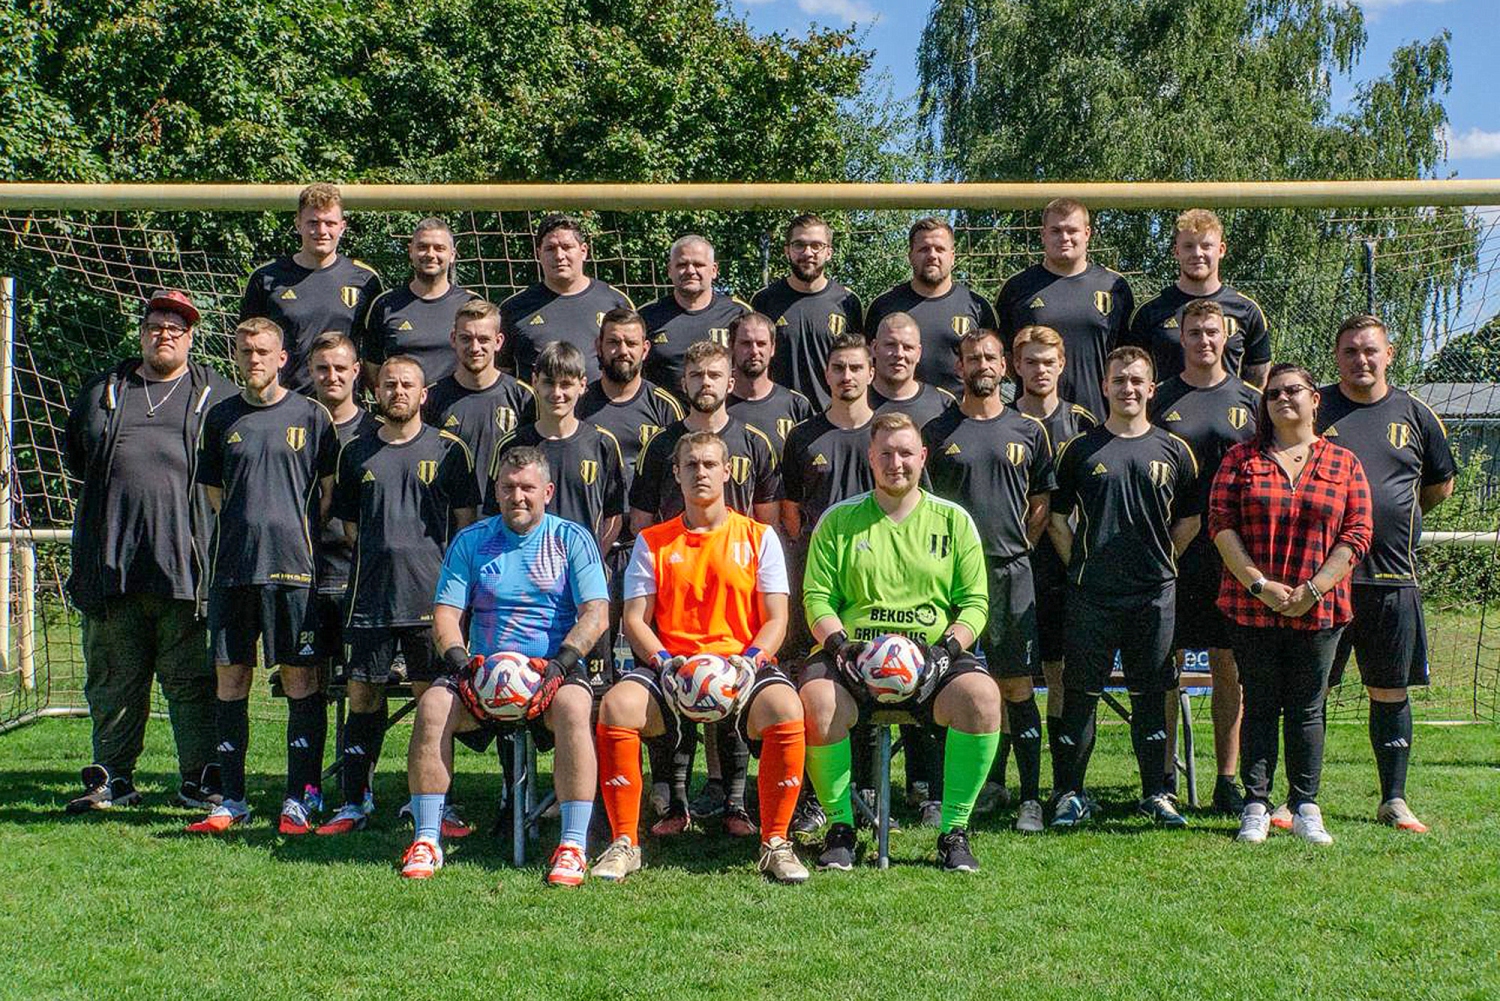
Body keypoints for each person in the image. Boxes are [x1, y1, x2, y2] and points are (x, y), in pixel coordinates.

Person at [593, 431, 809, 884]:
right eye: (691, 465)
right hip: (672, 668)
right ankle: (624, 842)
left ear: (728, 471)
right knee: (617, 706)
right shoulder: (653, 541)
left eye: (710, 464)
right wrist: (665, 663)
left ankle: (776, 842)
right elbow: (634, 620)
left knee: (787, 708)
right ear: (676, 474)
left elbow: (777, 620)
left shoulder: (759, 537)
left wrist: (749, 662)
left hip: (741, 666)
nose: (701, 473)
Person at [799, 412, 1001, 872]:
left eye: (906, 453)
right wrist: (841, 649)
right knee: (816, 699)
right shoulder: (839, 520)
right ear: (870, 458)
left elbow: (975, 603)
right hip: (854, 659)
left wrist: (944, 653)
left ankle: (954, 831)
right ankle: (840, 828)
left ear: (923, 457)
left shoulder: (954, 521)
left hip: (931, 660)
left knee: (983, 697)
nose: (896, 463)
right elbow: (816, 598)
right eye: (886, 454)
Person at [401, 448, 610, 886]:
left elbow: (596, 613)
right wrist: (462, 666)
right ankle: (426, 838)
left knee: (575, 707)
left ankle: (572, 845)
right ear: (496, 492)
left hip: (552, 670)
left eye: (527, 487)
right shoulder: (471, 541)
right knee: (433, 705)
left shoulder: (571, 538)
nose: (518, 496)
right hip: (482, 672)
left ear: (547, 492)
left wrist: (560, 665)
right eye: (508, 487)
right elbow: (445, 614)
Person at [63, 289, 234, 813]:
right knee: (113, 681)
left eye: (176, 328)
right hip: (112, 568)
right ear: (141, 334)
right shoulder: (103, 392)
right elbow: (77, 459)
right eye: (156, 326)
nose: (165, 335)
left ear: (191, 338)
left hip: (187, 570)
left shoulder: (216, 396)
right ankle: (112, 777)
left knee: (192, 682)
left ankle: (199, 778)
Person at [186, 318, 340, 835]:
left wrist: (290, 531)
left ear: (282, 359)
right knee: (231, 678)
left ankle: (301, 797)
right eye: (245, 351)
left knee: (300, 678)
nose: (254, 359)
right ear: (236, 355)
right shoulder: (220, 416)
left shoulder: (312, 416)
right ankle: (231, 799)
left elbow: (326, 493)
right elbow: (214, 493)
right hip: (233, 571)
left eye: (263, 351)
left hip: (294, 572)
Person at [315, 356, 480, 836]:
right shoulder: (355, 452)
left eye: (408, 384)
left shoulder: (450, 450)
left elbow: (465, 526)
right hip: (370, 598)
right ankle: (354, 801)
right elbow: (349, 526)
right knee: (363, 696)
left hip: (431, 602)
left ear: (423, 394)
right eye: (390, 384)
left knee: (433, 702)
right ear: (377, 392)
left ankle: (433, 804)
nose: (399, 391)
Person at [1211, 364, 1373, 845]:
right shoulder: (1241, 459)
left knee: (1307, 709)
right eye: (1273, 393)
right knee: (1260, 705)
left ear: (1314, 399)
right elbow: (1221, 524)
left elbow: (1358, 532)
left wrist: (1314, 589)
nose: (1283, 399)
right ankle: (1256, 805)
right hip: (1252, 606)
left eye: (1293, 390)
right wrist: (1260, 585)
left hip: (1321, 608)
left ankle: (1305, 805)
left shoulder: (1344, 463)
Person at [629, 339, 782, 834]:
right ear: (684, 383)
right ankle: (673, 798)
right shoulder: (662, 446)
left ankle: (729, 795)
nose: (706, 384)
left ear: (730, 381)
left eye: (714, 375)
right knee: (681, 680)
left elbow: (768, 517)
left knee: (724, 680)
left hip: (735, 583)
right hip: (676, 577)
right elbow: (642, 517)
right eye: (696, 376)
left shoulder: (753, 441)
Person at [1048, 346, 1200, 829]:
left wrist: (1161, 562)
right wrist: (1083, 566)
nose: (1128, 388)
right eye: (1119, 380)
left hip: (1153, 595)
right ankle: (1070, 794)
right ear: (1105, 386)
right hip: (1091, 595)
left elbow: (1191, 520)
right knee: (1080, 694)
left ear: (1151, 389)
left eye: (1136, 380)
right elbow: (1056, 519)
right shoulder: (1079, 449)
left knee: (1152, 694)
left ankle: (1156, 794)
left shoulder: (1175, 450)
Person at [1316, 314, 1456, 834]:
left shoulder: (1416, 414)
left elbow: (1439, 485)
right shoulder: (1315, 407)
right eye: (1350, 351)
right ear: (1337, 357)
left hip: (1392, 580)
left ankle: (1393, 800)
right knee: (1310, 694)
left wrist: (1397, 517)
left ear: (1389, 354)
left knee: (1390, 690)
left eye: (1370, 350)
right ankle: (1300, 799)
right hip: (1322, 582)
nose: (1361, 359)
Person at [924, 329, 1056, 833]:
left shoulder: (1029, 431)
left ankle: (1029, 799)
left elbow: (1041, 505)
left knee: (1016, 685)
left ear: (1006, 366)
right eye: (972, 357)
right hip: (950, 580)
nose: (982, 364)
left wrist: (1017, 548)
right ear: (959, 367)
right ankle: (947, 794)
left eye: (990, 357)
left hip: (1010, 573)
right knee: (945, 683)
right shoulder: (937, 432)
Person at [1148, 299, 1261, 812]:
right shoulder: (1159, 397)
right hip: (1173, 550)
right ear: (1182, 338)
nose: (1203, 340)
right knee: (1164, 666)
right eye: (1194, 332)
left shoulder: (1252, 400)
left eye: (1212, 331)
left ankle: (1227, 780)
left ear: (1227, 337)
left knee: (1227, 666)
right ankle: (1163, 778)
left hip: (1233, 555)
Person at [574, 306, 685, 820]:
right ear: (599, 348)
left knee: (653, 664)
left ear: (646, 349)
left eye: (630, 343)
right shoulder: (581, 402)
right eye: (612, 342)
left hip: (650, 553)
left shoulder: (664, 407)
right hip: (591, 556)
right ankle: (599, 780)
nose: (621, 351)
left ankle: (664, 782)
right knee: (596, 671)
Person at [778, 330, 878, 835]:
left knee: (871, 675)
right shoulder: (804, 437)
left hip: (874, 583)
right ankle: (818, 797)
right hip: (817, 579)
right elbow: (790, 512)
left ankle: (868, 790)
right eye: (838, 368)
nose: (847, 376)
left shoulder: (887, 433)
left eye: (856, 368)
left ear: (871, 373)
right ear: (826, 375)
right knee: (816, 683)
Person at [489, 341, 626, 691]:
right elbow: (496, 513)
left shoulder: (601, 444)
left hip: (583, 587)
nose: (557, 393)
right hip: (527, 586)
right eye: (549, 383)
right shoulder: (513, 445)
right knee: (517, 683)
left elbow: (614, 515)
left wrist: (589, 560)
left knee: (592, 689)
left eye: (566, 384)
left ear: (582, 385)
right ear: (535, 381)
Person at [1010, 326, 1097, 801]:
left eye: (1048, 361)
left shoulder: (1082, 423)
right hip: (1015, 566)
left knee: (1062, 671)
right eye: (1031, 361)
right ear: (1016, 366)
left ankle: (1065, 782)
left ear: (1062, 364)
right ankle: (1002, 782)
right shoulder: (1001, 419)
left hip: (1069, 567)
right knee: (1011, 675)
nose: (1040, 370)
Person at [306, 333, 380, 811]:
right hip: (305, 575)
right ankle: (306, 789)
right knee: (308, 685)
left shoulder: (377, 430)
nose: (331, 376)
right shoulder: (294, 420)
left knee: (363, 686)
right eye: (322, 368)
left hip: (360, 579)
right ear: (309, 372)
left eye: (340, 368)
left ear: (357, 372)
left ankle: (360, 788)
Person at [995, 198, 1133, 422]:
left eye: (1072, 230)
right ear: (1043, 235)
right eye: (1056, 231)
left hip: (1099, 418)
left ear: (1087, 233)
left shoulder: (1114, 286)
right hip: (1031, 421)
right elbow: (1007, 358)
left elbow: (1127, 356)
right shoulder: (1017, 287)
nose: (1064, 238)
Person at [239, 182, 383, 393]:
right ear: (298, 224)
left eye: (330, 223)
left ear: (342, 227)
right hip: (285, 401)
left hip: (343, 403)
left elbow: (374, 352)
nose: (321, 231)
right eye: (313, 223)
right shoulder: (266, 278)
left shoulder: (365, 279)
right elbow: (247, 345)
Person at [1125, 208, 1271, 387]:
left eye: (1206, 246)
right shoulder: (1150, 311)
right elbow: (1133, 375)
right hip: (1165, 406)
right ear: (1176, 251)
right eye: (1188, 246)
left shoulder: (1246, 310)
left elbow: (1258, 379)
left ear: (1221, 250)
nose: (1197, 253)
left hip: (1226, 406)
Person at [864, 217, 997, 395]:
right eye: (924, 249)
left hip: (958, 410)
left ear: (952, 256)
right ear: (910, 256)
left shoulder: (978, 306)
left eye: (940, 249)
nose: (932, 255)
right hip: (893, 409)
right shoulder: (883, 306)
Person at [422, 298, 535, 502]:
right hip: (449, 515)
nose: (475, 348)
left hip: (506, 514)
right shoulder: (431, 398)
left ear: (498, 342)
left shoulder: (524, 397)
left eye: (483, 339)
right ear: (453, 339)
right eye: (466, 338)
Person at [498, 214, 633, 383]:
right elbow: (502, 374)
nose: (559, 256)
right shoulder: (514, 308)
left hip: (602, 401)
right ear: (539, 254)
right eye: (550, 249)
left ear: (583, 251)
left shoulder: (615, 301)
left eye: (567, 247)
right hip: (537, 401)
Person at [750, 213, 865, 408]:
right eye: (799, 245)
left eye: (816, 245)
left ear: (829, 252)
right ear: (787, 251)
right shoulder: (764, 301)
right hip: (779, 413)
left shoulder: (848, 302)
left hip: (832, 415)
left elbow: (859, 366)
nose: (808, 252)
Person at [359, 217, 476, 386]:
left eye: (439, 248)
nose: (430, 254)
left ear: (452, 255)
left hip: (458, 402)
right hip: (403, 403)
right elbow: (372, 368)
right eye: (422, 247)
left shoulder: (470, 303)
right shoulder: (385, 304)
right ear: (410, 251)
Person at [639, 235, 751, 396]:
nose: (690, 271)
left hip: (725, 410)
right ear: (670, 270)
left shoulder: (739, 313)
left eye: (698, 264)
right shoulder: (647, 316)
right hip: (663, 411)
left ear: (714, 270)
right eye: (682, 265)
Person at [726, 311, 817, 453]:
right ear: (731, 346)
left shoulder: (796, 406)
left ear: (773, 348)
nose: (754, 351)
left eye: (761, 344)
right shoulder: (718, 405)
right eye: (746, 343)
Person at [867, 312, 957, 428]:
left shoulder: (944, 405)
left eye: (907, 347)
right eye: (890, 345)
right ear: (874, 348)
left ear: (919, 353)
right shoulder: (854, 401)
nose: (899, 354)